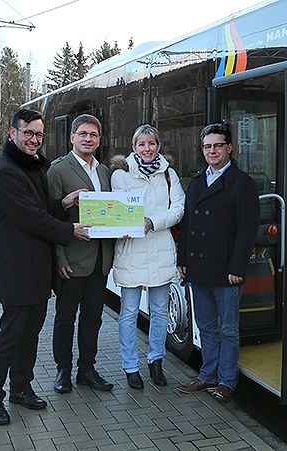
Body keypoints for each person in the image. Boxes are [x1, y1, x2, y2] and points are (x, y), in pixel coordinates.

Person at [0, 108, 90, 426]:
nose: (33, 140)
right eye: (27, 133)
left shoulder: (30, 167)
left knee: (30, 333)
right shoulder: (6, 172)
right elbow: (30, 218)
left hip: (37, 267)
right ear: (12, 133)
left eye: (39, 135)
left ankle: (21, 388)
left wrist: (63, 204)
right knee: (11, 334)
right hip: (16, 269)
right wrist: (70, 230)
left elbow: (41, 209)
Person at [176, 122, 259, 402]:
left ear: (230, 148)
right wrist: (182, 258)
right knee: (206, 327)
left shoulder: (242, 183)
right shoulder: (198, 179)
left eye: (218, 145)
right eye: (207, 146)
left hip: (226, 272)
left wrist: (238, 267)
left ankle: (226, 381)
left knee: (228, 329)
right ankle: (207, 375)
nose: (212, 151)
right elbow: (189, 223)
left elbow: (247, 231)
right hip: (198, 269)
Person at [110, 124, 184, 390]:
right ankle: (130, 366)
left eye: (151, 143)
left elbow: (178, 208)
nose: (147, 149)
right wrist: (123, 227)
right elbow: (115, 211)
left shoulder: (169, 175)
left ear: (159, 146)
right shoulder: (120, 175)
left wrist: (152, 222)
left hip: (161, 250)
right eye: (141, 144)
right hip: (131, 252)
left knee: (160, 311)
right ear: (133, 148)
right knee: (129, 312)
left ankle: (156, 360)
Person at [47, 114, 114, 394]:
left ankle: (87, 368)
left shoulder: (105, 172)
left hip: (100, 259)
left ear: (99, 140)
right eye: (83, 134)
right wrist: (59, 259)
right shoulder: (58, 170)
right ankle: (63, 370)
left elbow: (112, 210)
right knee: (65, 319)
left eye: (93, 135)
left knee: (93, 318)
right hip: (71, 260)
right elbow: (47, 216)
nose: (88, 139)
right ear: (72, 137)